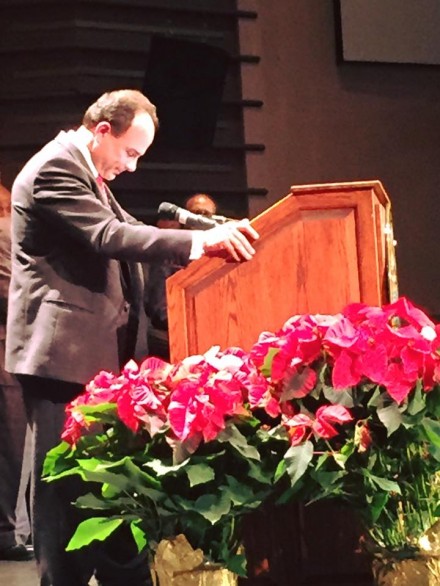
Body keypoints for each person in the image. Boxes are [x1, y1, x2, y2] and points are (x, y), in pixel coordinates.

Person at [5, 89, 258, 586]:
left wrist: (212, 235)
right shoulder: (55, 168)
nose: (133, 166)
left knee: (97, 480)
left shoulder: (89, 172)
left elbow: (128, 228)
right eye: (130, 152)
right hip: (60, 356)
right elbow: (107, 235)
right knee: (62, 488)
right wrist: (200, 242)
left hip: (87, 356)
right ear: (102, 130)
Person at [144, 193, 220, 359]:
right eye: (196, 213)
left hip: (212, 339)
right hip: (172, 339)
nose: (201, 219)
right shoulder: (169, 253)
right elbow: (159, 310)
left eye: (206, 215)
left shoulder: (219, 257)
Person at [0, 179, 32, 562]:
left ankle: (12, 529)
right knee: (12, 449)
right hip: (9, 349)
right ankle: (9, 531)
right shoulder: (8, 235)